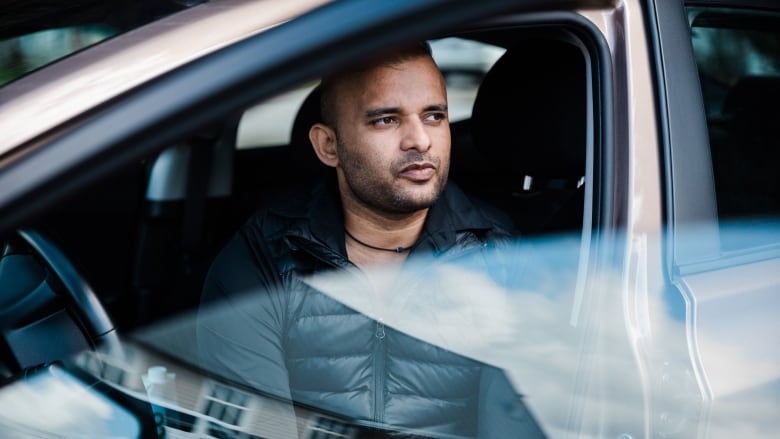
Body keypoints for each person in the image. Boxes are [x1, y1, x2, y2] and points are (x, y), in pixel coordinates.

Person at [197, 42, 544, 438]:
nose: (420, 141)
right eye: (386, 120)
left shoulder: (502, 258)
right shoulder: (263, 256)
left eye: (434, 116)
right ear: (329, 146)